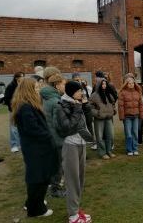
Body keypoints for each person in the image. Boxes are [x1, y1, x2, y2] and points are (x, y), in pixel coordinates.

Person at [12, 78, 58, 217]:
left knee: (41, 177)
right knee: (37, 178)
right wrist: (48, 136)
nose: (38, 90)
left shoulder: (28, 105)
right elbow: (33, 129)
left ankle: (33, 203)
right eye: (36, 88)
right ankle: (35, 209)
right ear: (29, 90)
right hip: (36, 148)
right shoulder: (25, 107)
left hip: (38, 147)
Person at [55, 81, 93, 223]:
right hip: (70, 145)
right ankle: (73, 215)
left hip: (81, 143)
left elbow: (88, 122)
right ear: (71, 92)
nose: (81, 93)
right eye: (78, 91)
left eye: (81, 90)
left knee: (80, 179)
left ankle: (76, 209)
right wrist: (78, 110)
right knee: (72, 180)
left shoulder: (77, 103)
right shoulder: (62, 105)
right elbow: (67, 127)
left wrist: (86, 107)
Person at [39, 73, 67, 198]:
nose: (64, 86)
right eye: (63, 84)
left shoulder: (47, 98)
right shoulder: (56, 101)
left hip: (50, 137)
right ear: (57, 85)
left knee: (54, 164)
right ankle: (55, 189)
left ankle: (53, 185)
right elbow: (59, 124)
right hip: (57, 139)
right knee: (58, 165)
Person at [89, 78, 117, 159]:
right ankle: (102, 152)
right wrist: (97, 113)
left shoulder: (109, 94)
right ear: (98, 85)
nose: (104, 86)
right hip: (99, 119)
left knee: (110, 135)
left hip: (108, 118)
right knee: (100, 136)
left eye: (105, 84)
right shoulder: (94, 95)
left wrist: (113, 110)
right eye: (102, 84)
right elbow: (89, 107)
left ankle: (109, 151)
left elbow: (113, 104)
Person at [118, 77, 143, 156]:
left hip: (136, 116)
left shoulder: (138, 92)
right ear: (126, 84)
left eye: (132, 83)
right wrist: (122, 116)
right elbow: (120, 106)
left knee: (135, 133)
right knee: (129, 134)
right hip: (127, 117)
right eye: (129, 83)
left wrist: (141, 114)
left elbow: (141, 105)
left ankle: (135, 149)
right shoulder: (122, 93)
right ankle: (129, 149)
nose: (131, 85)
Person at [3, 71, 25, 153]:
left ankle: (21, 144)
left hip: (22, 109)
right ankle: (14, 145)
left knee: (22, 126)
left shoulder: (23, 86)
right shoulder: (11, 86)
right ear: (16, 78)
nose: (23, 78)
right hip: (13, 109)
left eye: (23, 76)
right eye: (21, 76)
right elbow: (7, 98)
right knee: (13, 128)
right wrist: (13, 105)